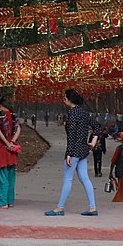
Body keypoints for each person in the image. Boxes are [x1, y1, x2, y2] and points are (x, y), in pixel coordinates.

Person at [45, 88, 98, 216]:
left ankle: (60, 208)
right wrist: (93, 142)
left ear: (70, 99)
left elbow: (72, 136)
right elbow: (97, 126)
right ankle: (92, 207)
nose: (63, 99)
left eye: (65, 97)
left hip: (74, 150)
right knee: (85, 178)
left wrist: (69, 153)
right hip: (83, 150)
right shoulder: (84, 112)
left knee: (68, 179)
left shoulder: (73, 113)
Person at [0, 93, 20, 208]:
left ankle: (2, 202)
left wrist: (6, 144)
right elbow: (18, 129)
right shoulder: (11, 113)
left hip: (0, 148)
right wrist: (12, 142)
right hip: (12, 147)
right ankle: (9, 200)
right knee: (10, 174)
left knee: (0, 175)